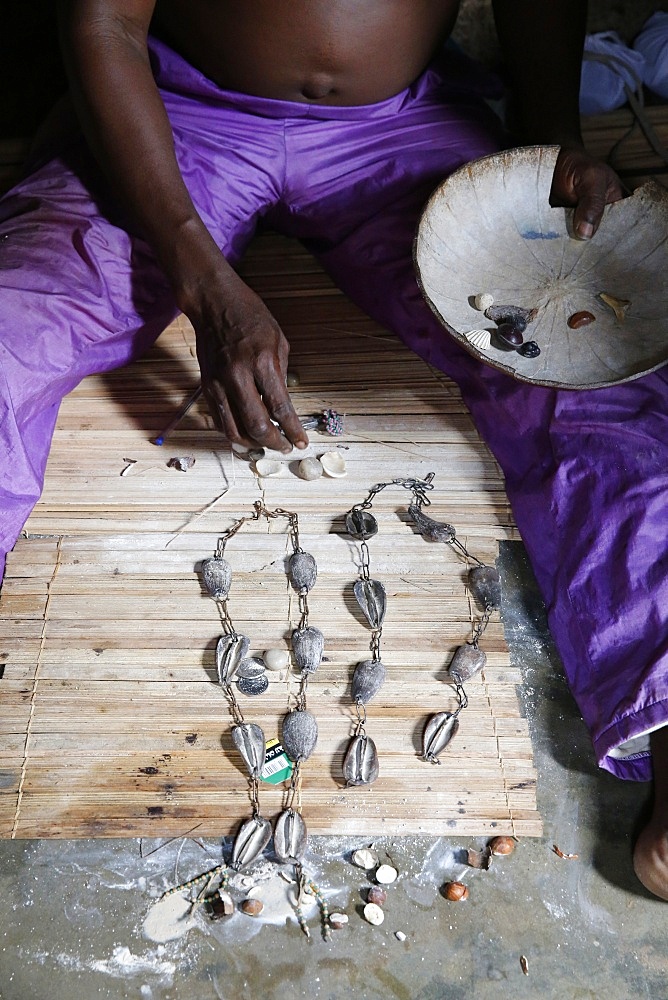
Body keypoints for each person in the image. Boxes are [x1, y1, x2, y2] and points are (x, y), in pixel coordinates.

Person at [0, 1, 665, 899]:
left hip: (402, 130)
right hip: (178, 116)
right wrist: (203, 279)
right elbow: (106, 23)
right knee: (16, 327)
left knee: (592, 384)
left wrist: (549, 140)